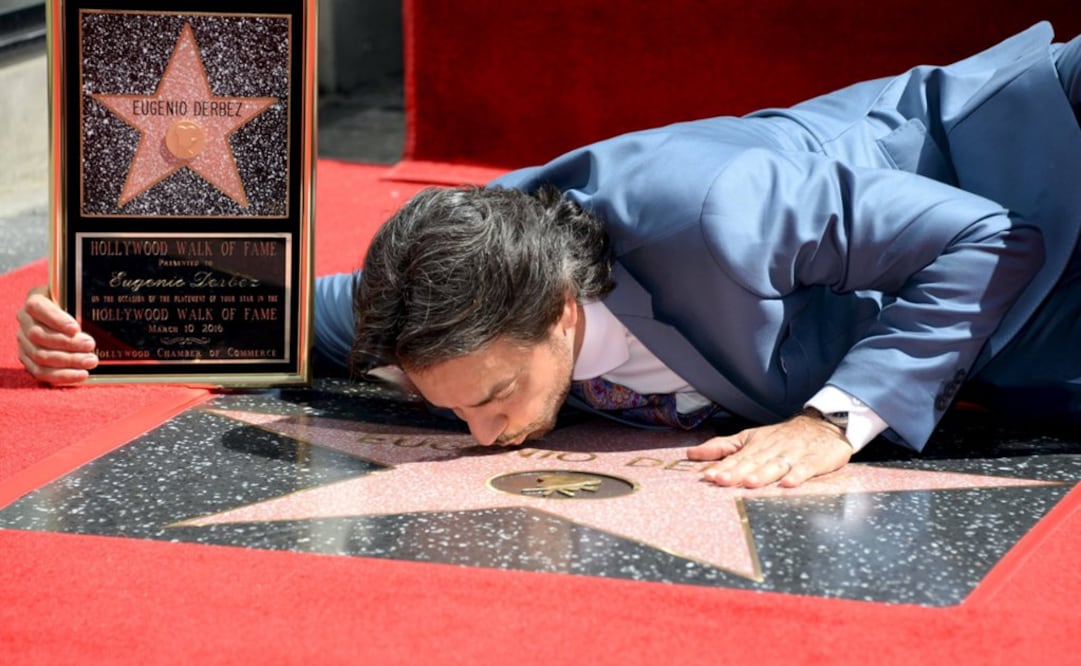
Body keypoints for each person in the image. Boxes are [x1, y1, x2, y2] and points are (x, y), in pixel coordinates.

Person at [17, 22, 1081, 489]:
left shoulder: (714, 213)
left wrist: (833, 420)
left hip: (1034, 161)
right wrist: (88, 317)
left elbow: (986, 236)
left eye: (489, 397)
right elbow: (281, 307)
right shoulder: (445, 302)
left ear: (562, 310)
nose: (478, 435)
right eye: (454, 412)